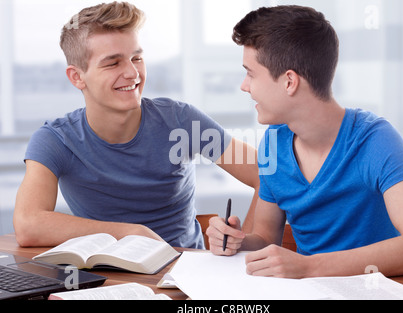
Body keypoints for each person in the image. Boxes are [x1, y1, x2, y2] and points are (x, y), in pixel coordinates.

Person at [207, 5, 403, 278]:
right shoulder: (273, 144)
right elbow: (265, 238)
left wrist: (309, 266)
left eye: (250, 73)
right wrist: (237, 241)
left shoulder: (374, 140)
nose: (244, 86)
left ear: (289, 82)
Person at [13, 2, 259, 250]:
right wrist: (131, 233)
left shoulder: (181, 121)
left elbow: (267, 173)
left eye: (137, 58)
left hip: (183, 273)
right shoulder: (56, 139)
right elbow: (27, 224)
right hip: (104, 280)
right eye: (113, 63)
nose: (133, 73)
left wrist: (249, 243)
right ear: (77, 77)